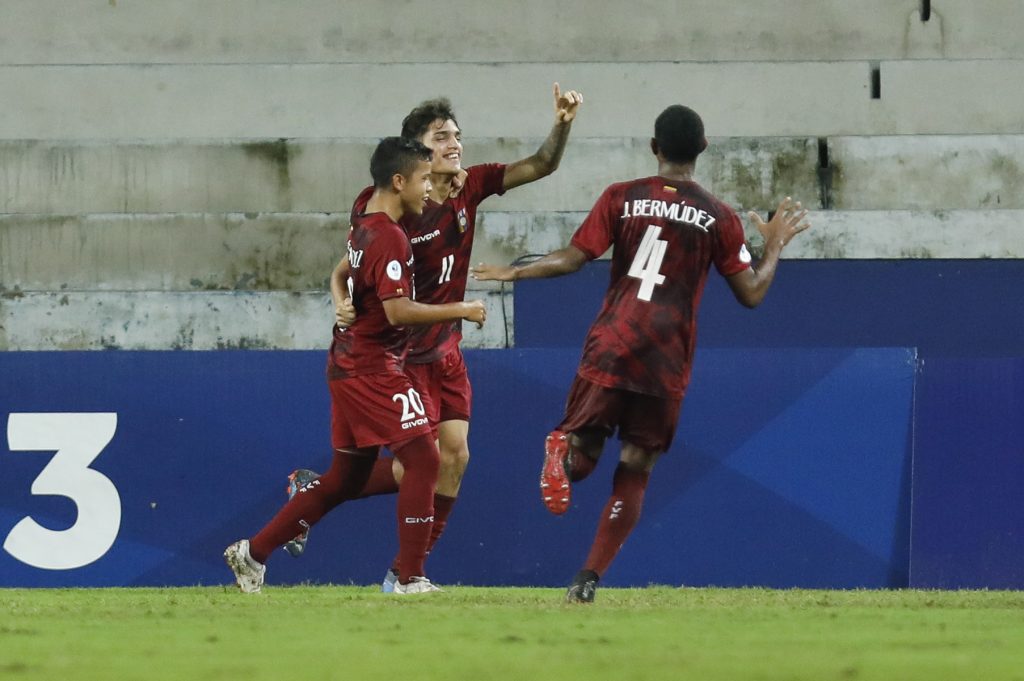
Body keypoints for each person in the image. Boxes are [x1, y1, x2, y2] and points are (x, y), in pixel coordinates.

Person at [470, 104, 811, 602]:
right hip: (665, 359)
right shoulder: (719, 216)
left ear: (654, 148)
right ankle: (587, 581)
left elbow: (574, 257)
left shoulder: (622, 197)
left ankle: (561, 454)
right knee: (636, 465)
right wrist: (775, 244)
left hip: (611, 346)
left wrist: (517, 272)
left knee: (585, 451)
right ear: (703, 147)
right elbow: (752, 293)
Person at [286, 84, 583, 591]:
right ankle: (339, 510)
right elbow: (349, 265)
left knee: (457, 458)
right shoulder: (389, 208)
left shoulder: (471, 187)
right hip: (399, 355)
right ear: (417, 151)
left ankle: (405, 574)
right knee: (416, 469)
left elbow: (541, 165)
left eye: (457, 136)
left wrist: (563, 122)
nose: (455, 144)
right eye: (441, 137)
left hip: (444, 351)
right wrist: (338, 294)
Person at [224, 136, 487, 594]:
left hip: (348, 364)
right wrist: (460, 309)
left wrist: (341, 298)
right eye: (424, 180)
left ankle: (252, 554)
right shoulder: (389, 235)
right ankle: (408, 579)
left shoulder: (365, 222)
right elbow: (398, 311)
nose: (430, 189)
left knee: (347, 479)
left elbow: (345, 271)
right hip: (372, 367)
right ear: (399, 180)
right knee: (426, 457)